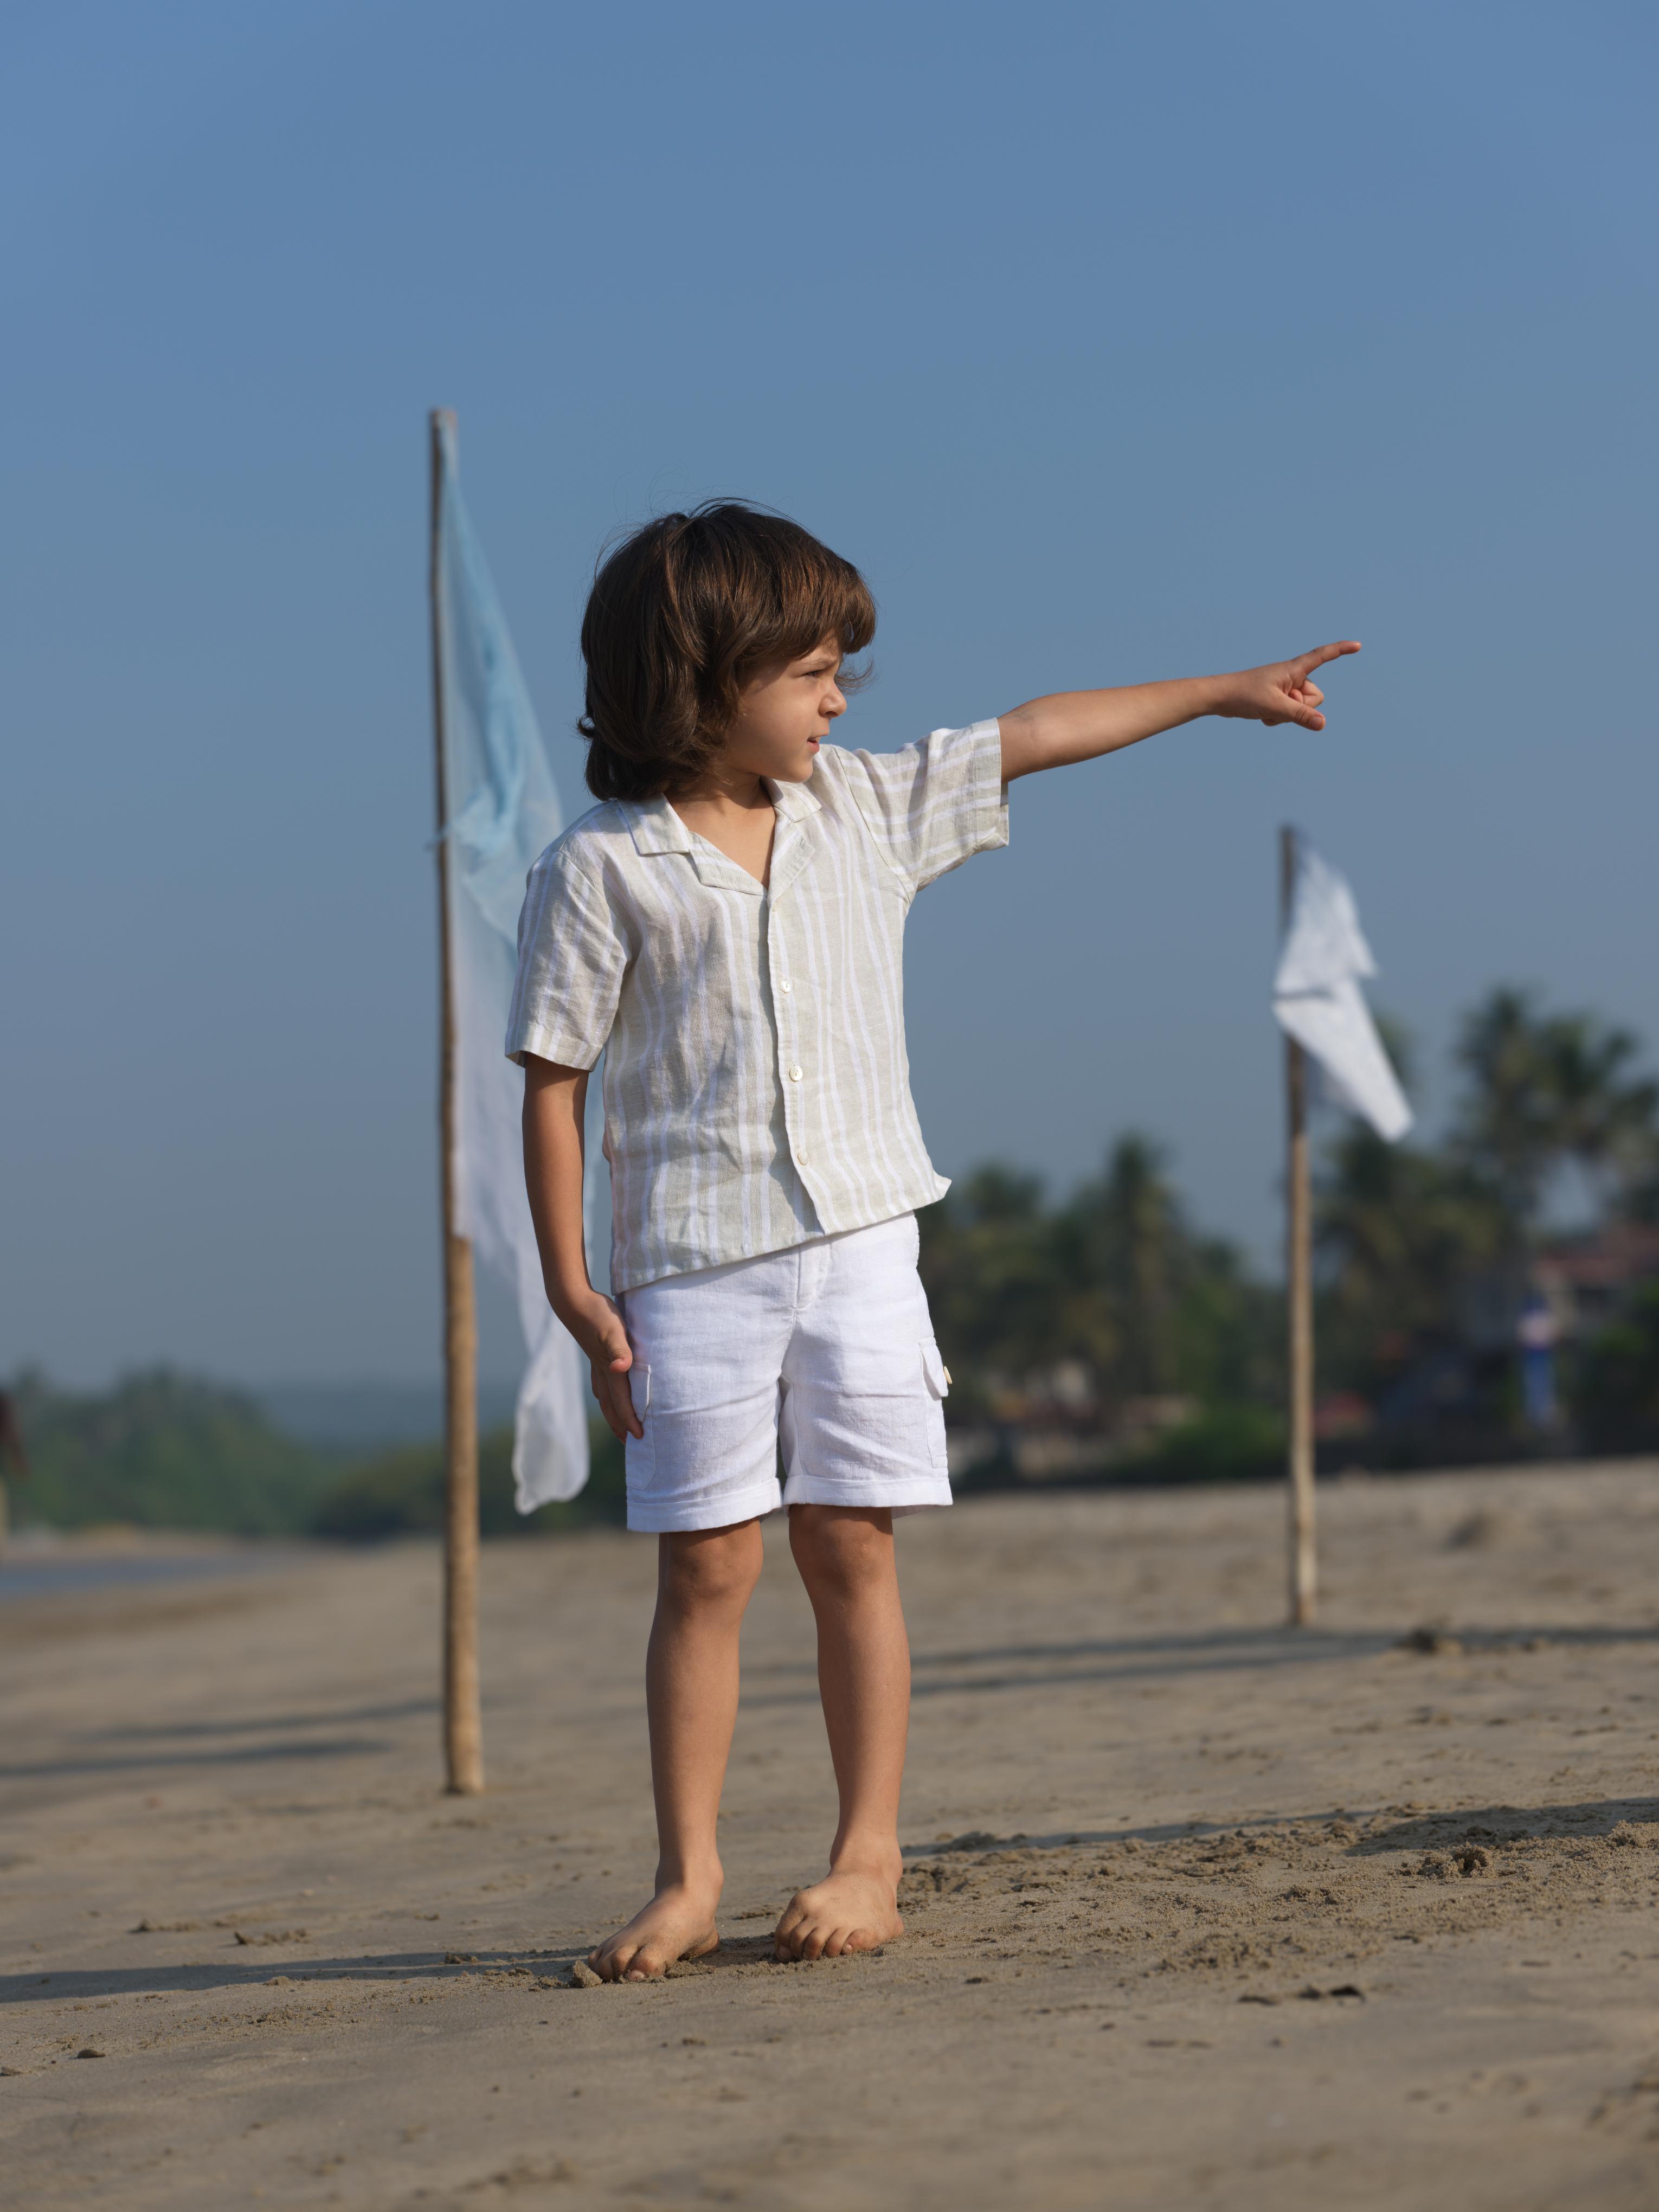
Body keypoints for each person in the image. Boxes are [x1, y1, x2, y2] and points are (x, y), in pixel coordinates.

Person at [510, 501, 1358, 1981]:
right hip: (687, 1261)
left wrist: (1224, 691)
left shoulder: (867, 809)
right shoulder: (600, 868)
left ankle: (869, 1855)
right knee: (704, 1569)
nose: (839, 700)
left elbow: (1037, 730)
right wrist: (573, 1288)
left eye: (842, 671)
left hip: (860, 1246)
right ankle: (687, 1877)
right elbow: (552, 1082)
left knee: (852, 1544)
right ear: (700, 680)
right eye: (809, 673)